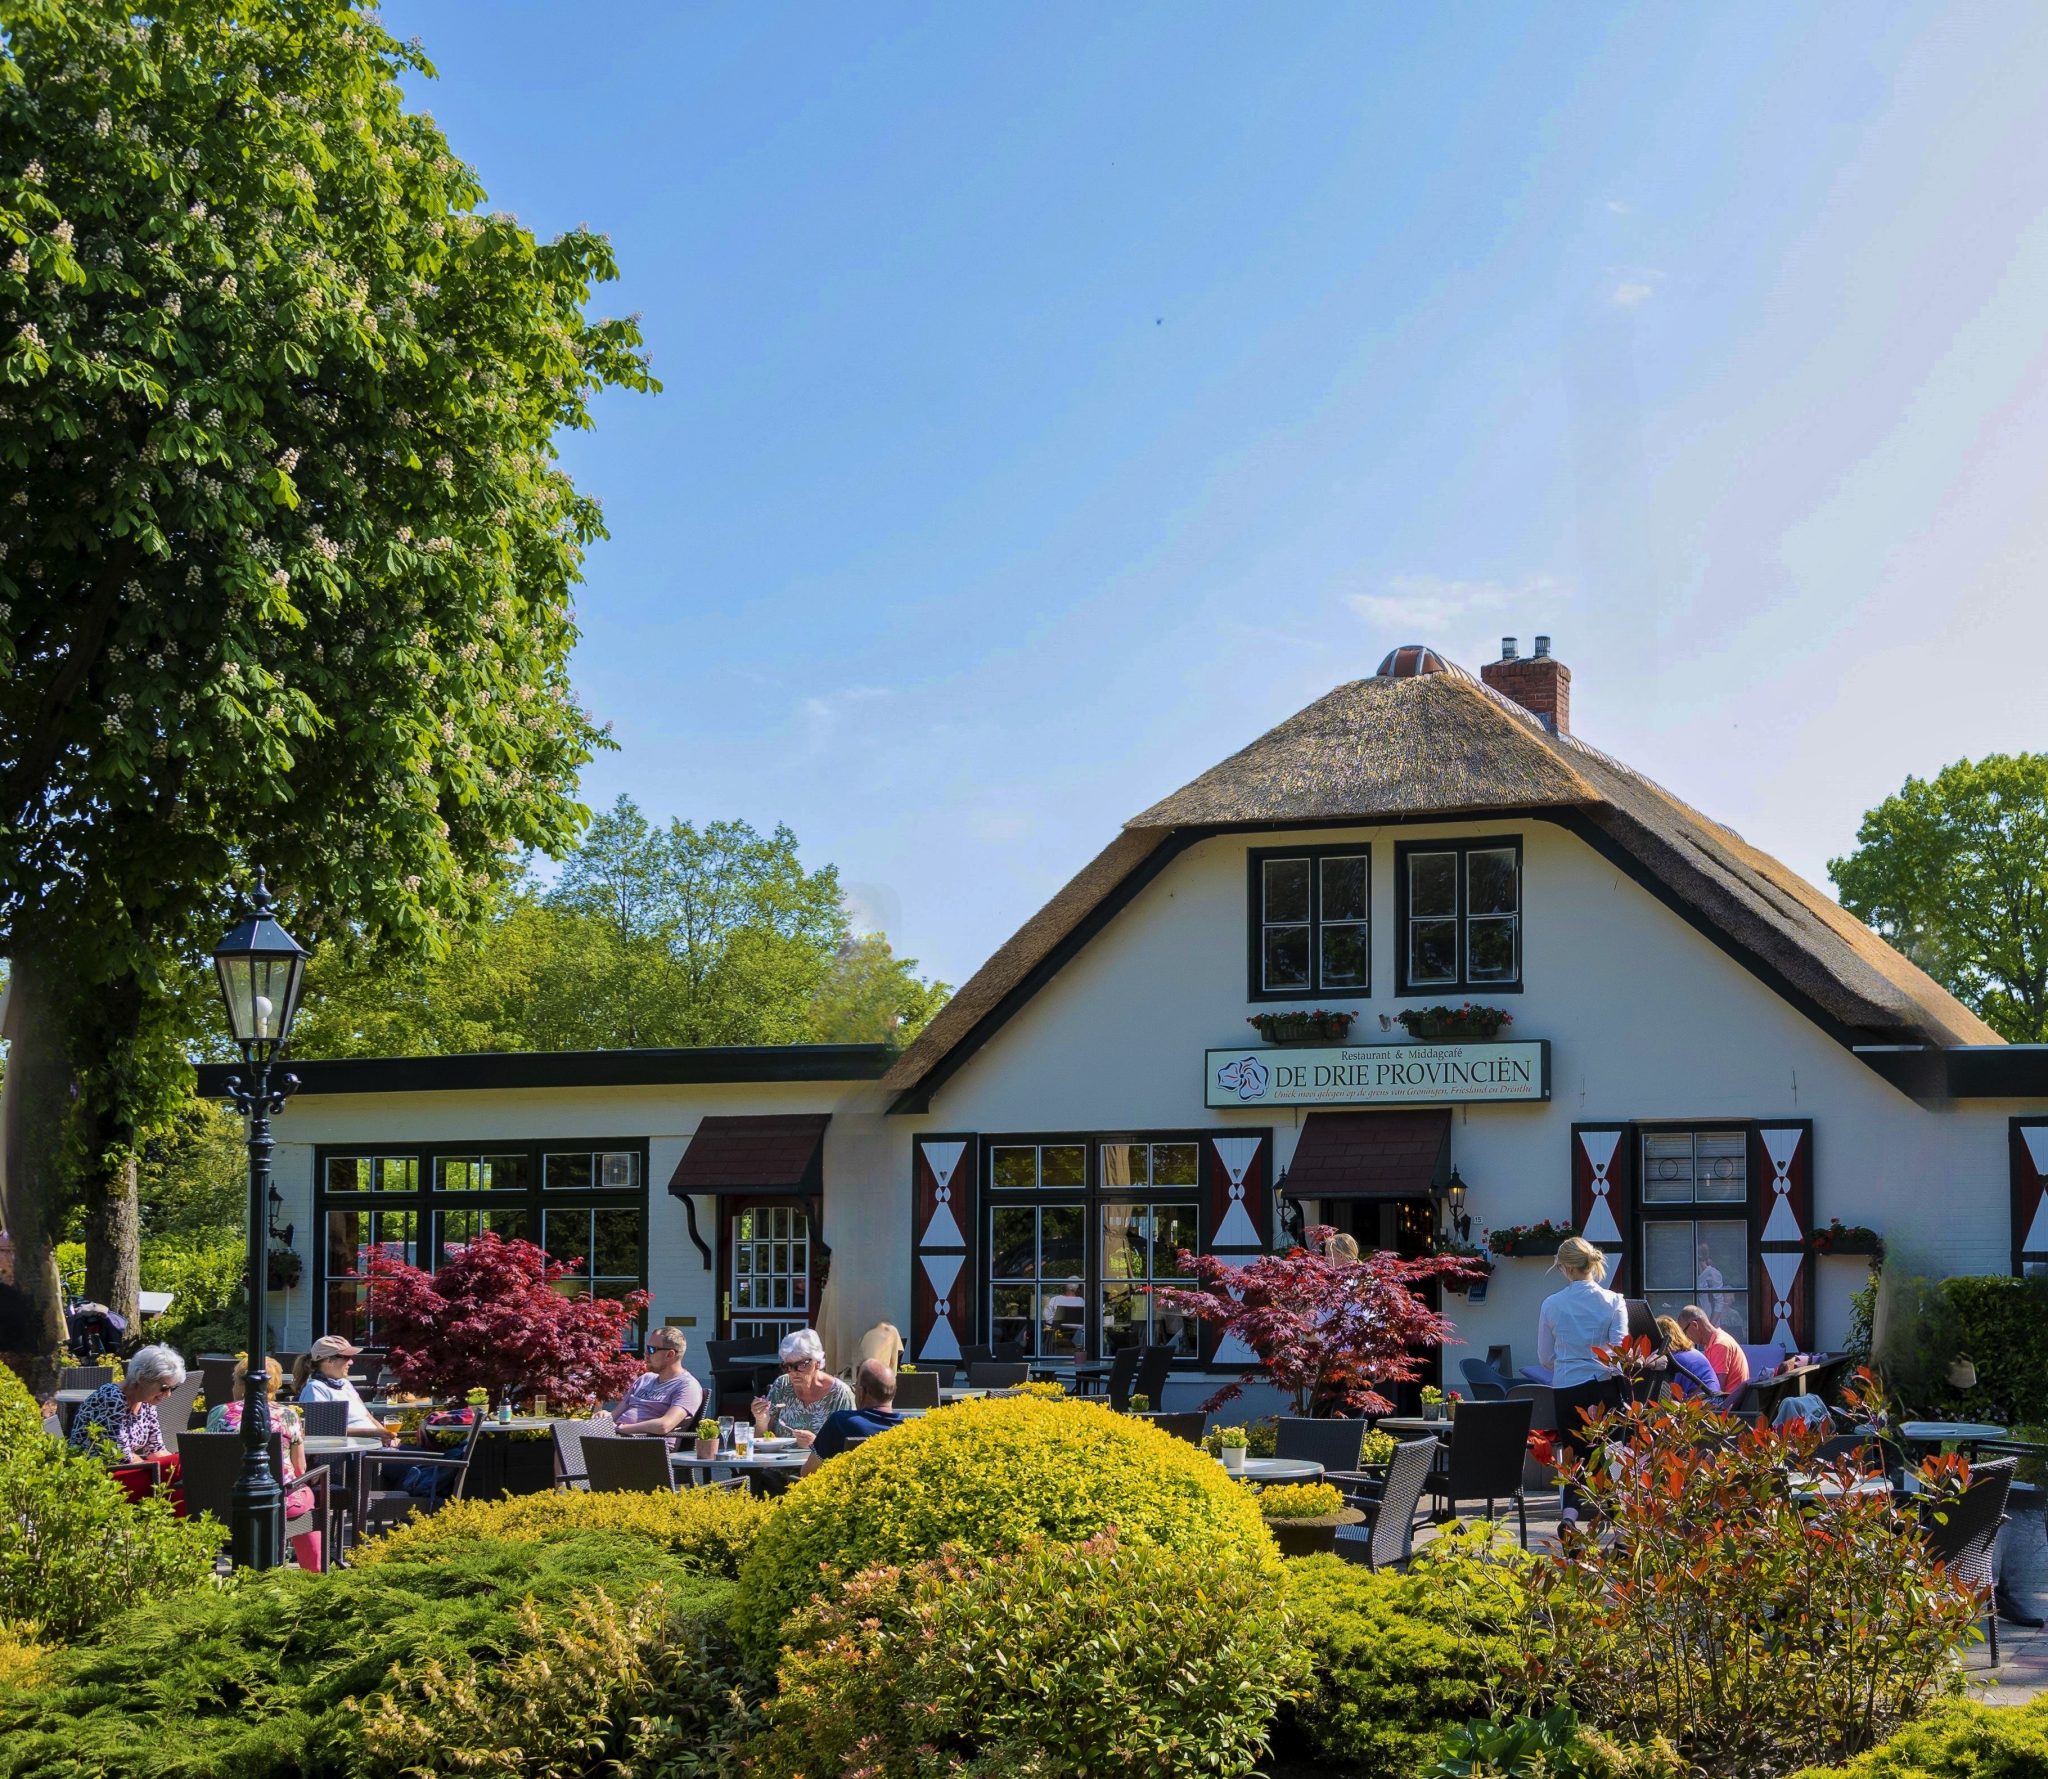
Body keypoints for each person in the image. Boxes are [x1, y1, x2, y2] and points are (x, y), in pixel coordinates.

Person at [1536, 1237, 1628, 1524]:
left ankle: (1570, 1516)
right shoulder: (1614, 1301)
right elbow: (1620, 1351)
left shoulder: (1551, 1304)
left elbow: (1545, 1357)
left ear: (1565, 1268)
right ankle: (1623, 1534)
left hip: (1567, 1387)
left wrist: (1568, 1362)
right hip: (1604, 1385)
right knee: (1612, 1457)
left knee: (1575, 1456)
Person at [207, 1354, 324, 1572]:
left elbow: (214, 1459)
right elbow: (300, 1469)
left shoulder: (218, 1413)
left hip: (224, 1501)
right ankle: (314, 1573)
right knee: (307, 1495)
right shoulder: (287, 1416)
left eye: (234, 1381)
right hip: (279, 1501)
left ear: (241, 1384)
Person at [68, 1344, 183, 1464]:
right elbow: (122, 1457)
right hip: (101, 1472)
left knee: (183, 1463)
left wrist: (177, 1463)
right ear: (142, 1378)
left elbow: (156, 1450)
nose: (168, 1394)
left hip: (125, 1467)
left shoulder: (147, 1403)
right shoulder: (112, 1398)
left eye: (172, 1388)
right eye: (164, 1388)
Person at [751, 1327, 854, 1448]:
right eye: (788, 1366)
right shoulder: (782, 1385)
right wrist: (761, 1420)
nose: (793, 1372)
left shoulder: (839, 1394)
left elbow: (849, 1445)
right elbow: (761, 1441)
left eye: (801, 1365)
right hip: (778, 1464)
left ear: (818, 1363)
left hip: (820, 1466)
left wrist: (816, 1444)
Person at [801, 1359, 904, 1475]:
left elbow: (808, 1472)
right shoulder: (906, 1428)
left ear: (861, 1393)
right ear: (894, 1393)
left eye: (855, 1387)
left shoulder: (841, 1423)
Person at [298, 1333, 399, 1444]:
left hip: (375, 1445)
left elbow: (367, 1416)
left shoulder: (344, 1383)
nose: (351, 1362)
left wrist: (386, 1435)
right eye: (346, 1357)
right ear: (329, 1360)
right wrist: (375, 1433)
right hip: (354, 1452)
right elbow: (322, 1431)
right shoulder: (316, 1389)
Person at [615, 1327, 706, 1444]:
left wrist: (621, 1429)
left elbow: (664, 1425)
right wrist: (603, 1418)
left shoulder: (687, 1386)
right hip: (620, 1440)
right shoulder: (645, 1379)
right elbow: (614, 1415)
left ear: (670, 1354)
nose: (646, 1354)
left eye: (651, 1350)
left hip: (651, 1447)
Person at [1678, 1304, 1750, 1397]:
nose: (1685, 1337)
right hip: (1730, 1401)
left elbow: (1715, 1389)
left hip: (1729, 1406)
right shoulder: (1714, 1342)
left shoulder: (1719, 1345)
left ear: (1694, 1325)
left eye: (1684, 1332)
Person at [1654, 1316, 1722, 1398]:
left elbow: (1668, 1393)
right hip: (1713, 1401)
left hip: (1703, 1404)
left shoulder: (1675, 1360)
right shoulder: (1690, 1353)